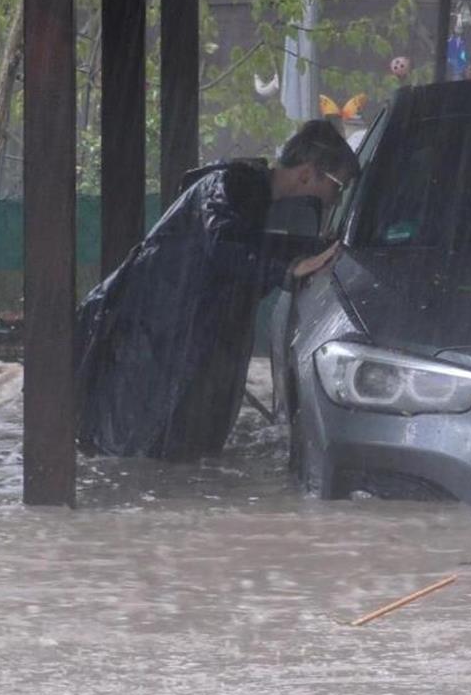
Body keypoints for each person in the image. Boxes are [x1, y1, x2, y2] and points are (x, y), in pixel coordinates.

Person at [75, 120, 360, 461]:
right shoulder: (231, 185)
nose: (336, 198)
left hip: (154, 331)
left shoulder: (250, 193)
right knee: (124, 450)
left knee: (147, 453)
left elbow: (245, 246)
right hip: (141, 333)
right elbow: (224, 247)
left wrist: (304, 252)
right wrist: (288, 267)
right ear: (307, 174)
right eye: (338, 186)